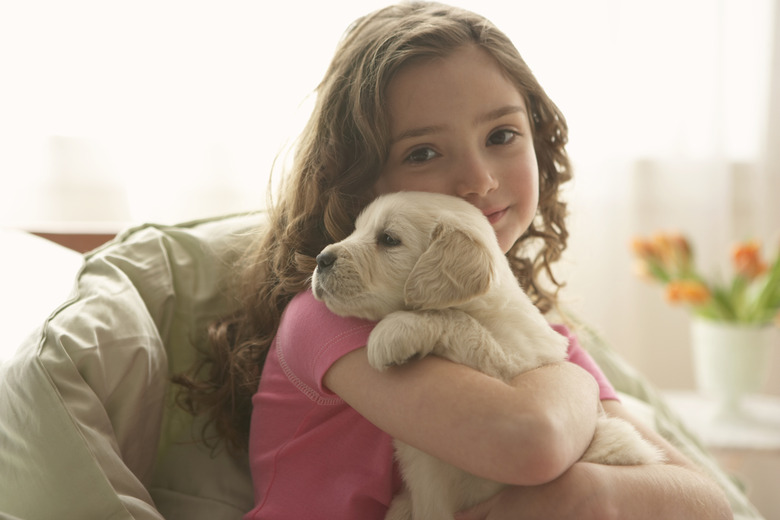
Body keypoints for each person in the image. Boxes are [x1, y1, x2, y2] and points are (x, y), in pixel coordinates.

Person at [175, 2, 733, 518]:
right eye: (423, 152)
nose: (478, 179)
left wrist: (597, 490)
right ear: (361, 184)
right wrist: (575, 382)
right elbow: (529, 443)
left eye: (502, 134)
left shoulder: (536, 336)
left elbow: (709, 504)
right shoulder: (331, 319)